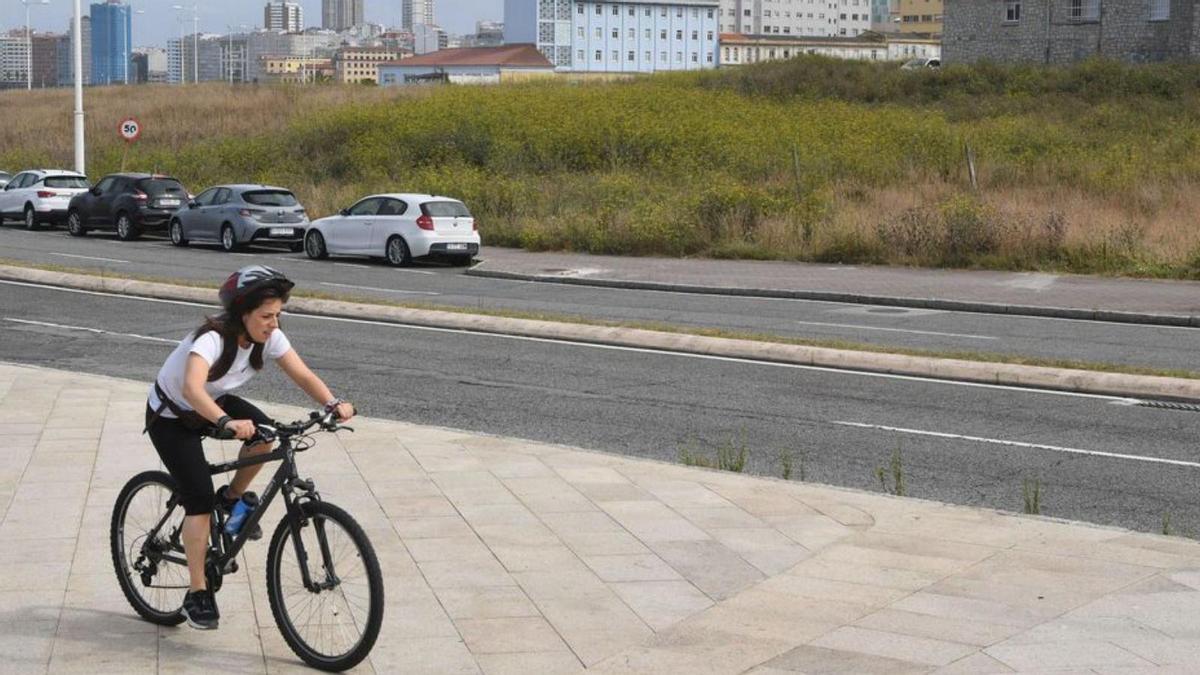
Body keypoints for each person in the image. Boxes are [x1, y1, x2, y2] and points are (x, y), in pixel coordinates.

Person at [144, 265, 354, 630]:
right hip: (172, 415)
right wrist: (225, 423)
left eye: (278, 314)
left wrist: (332, 403)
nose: (274, 323)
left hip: (212, 402)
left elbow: (302, 373)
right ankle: (198, 593)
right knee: (198, 499)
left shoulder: (269, 336)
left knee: (266, 437)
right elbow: (193, 389)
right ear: (243, 314)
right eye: (266, 315)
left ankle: (231, 499)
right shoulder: (211, 339)